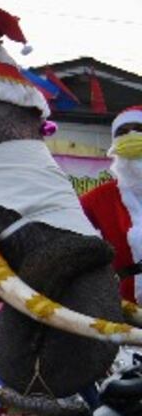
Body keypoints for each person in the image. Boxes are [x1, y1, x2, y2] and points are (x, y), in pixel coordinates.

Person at [80, 105, 142, 303]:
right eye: (122, 133)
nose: (131, 137)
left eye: (139, 129)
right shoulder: (98, 198)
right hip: (125, 308)